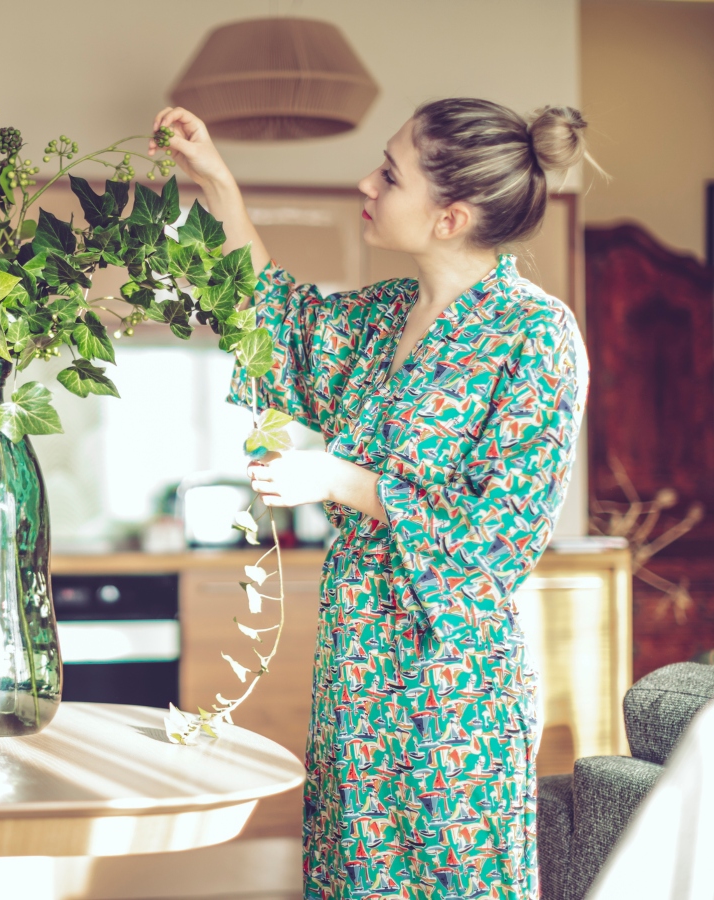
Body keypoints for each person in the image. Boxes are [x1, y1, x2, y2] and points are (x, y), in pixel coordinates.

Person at [149, 99, 591, 899]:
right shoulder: (384, 317)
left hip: (452, 694)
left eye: (390, 173)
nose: (367, 180)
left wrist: (342, 481)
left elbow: (504, 539)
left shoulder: (537, 337)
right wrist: (218, 186)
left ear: (449, 216)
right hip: (354, 678)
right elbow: (278, 320)